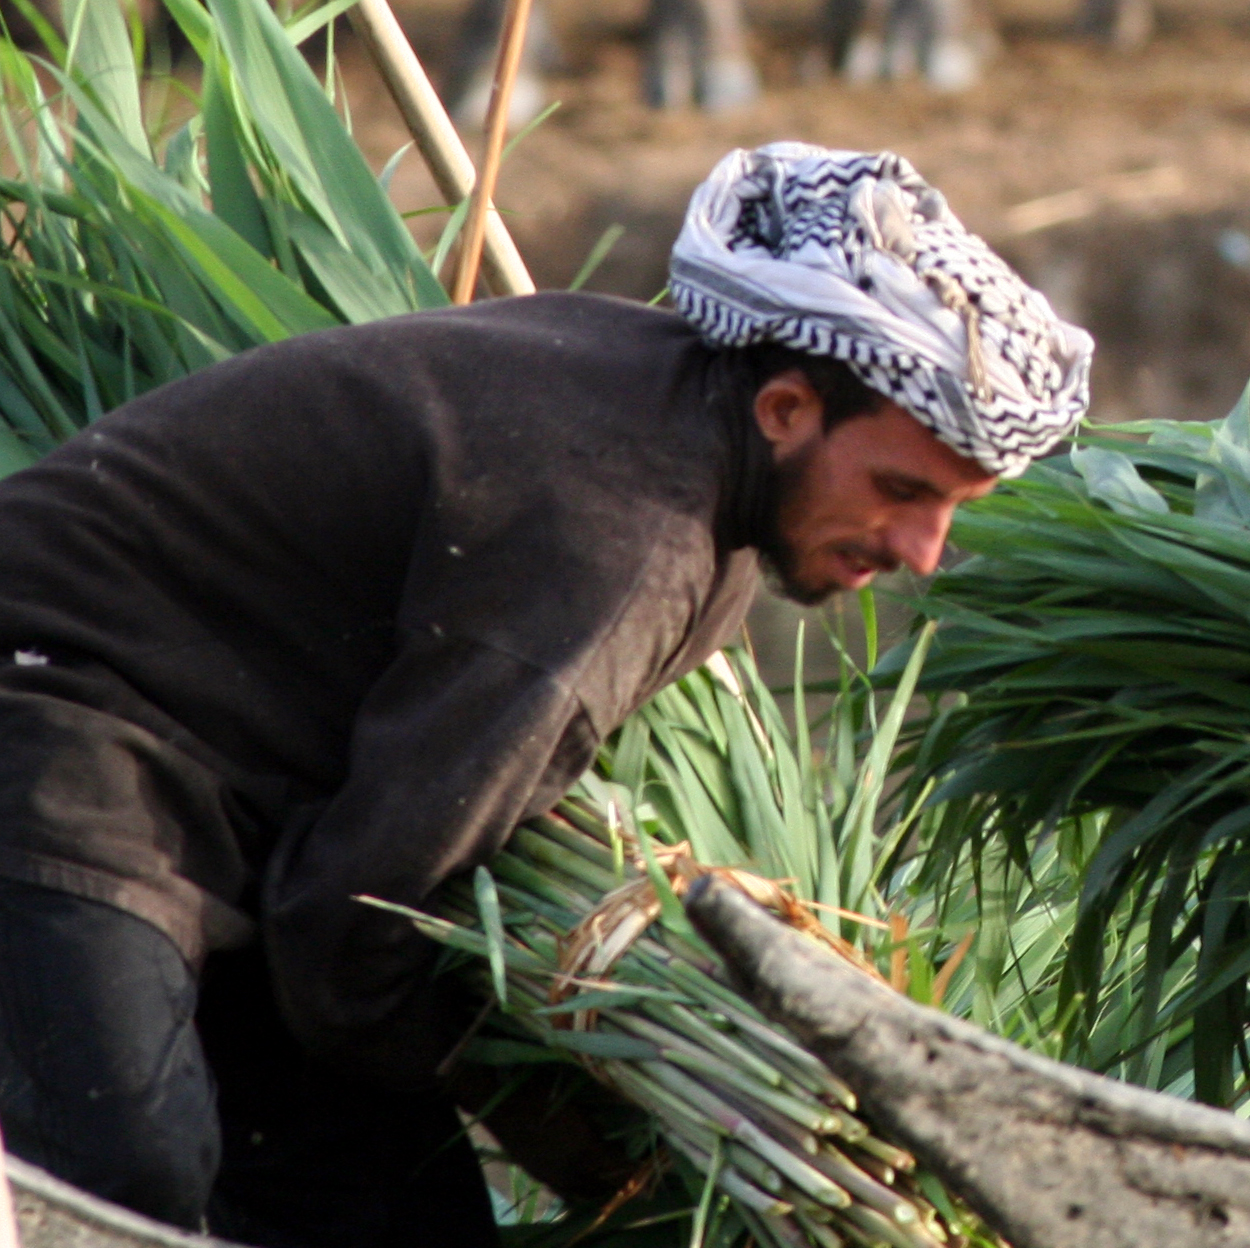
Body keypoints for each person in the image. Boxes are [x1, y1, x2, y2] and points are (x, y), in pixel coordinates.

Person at [0, 143, 1092, 1247]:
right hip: (63, 717)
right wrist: (571, 1128)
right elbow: (361, 912)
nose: (922, 550)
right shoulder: (624, 538)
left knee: (399, 1220)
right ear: (786, 409)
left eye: (953, 506)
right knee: (128, 1168)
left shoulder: (684, 442)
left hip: (252, 808)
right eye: (901, 490)